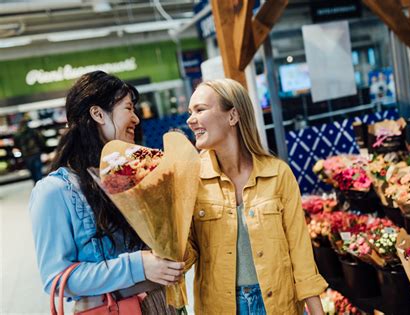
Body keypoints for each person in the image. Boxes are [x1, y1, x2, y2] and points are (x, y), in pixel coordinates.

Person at [29, 71, 183, 314]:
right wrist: (138, 266)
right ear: (98, 114)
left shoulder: (133, 173)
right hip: (115, 308)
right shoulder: (55, 191)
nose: (136, 119)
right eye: (128, 108)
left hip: (164, 303)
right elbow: (56, 280)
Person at [185, 78, 328, 314]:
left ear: (233, 116)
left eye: (200, 109)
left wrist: (317, 311)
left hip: (278, 305)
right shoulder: (191, 179)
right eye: (190, 112)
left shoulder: (278, 174)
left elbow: (301, 255)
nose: (190, 120)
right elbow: (186, 255)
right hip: (221, 307)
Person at [14, 115, 45, 184]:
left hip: (27, 155)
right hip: (35, 153)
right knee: (38, 170)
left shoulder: (18, 134)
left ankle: (36, 183)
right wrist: (41, 149)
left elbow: (16, 144)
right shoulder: (33, 131)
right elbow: (40, 141)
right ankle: (39, 184)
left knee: (32, 171)